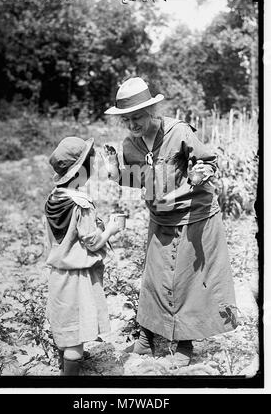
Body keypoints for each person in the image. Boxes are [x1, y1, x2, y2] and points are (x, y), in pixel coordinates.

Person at [103, 77, 237, 367]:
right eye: (126, 119)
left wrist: (200, 173)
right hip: (160, 217)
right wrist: (116, 174)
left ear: (152, 111)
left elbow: (208, 163)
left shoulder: (180, 133)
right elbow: (139, 179)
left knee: (186, 280)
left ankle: (185, 344)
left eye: (136, 117)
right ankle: (147, 336)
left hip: (193, 215)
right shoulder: (131, 144)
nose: (132, 124)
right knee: (155, 276)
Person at [44, 136, 121, 375]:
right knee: (77, 334)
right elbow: (93, 241)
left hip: (58, 274)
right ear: (80, 172)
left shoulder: (53, 198)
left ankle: (65, 359)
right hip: (78, 277)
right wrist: (111, 228)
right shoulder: (81, 205)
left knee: (65, 323)